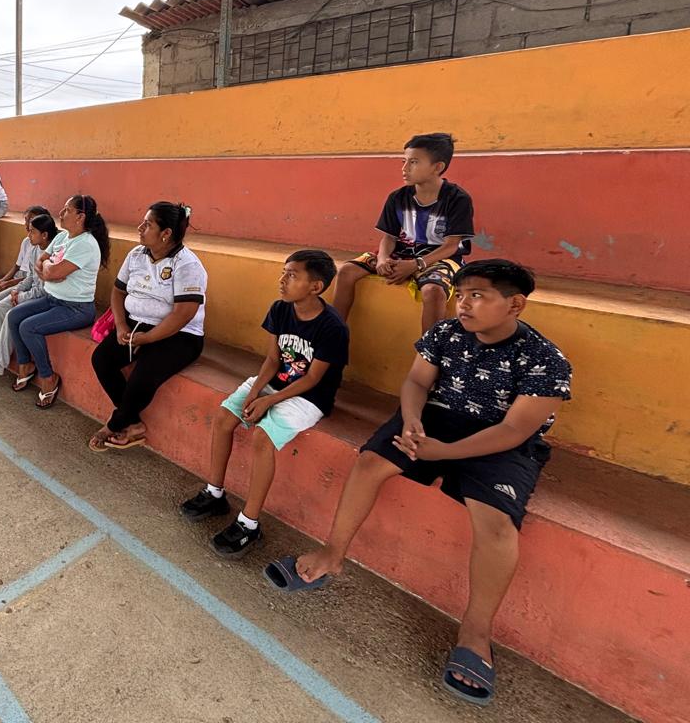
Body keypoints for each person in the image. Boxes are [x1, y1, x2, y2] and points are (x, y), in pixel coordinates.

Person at [266, 260, 571, 708]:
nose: (463, 304)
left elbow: (515, 430)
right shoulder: (445, 333)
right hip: (433, 419)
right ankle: (332, 555)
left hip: (500, 441)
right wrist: (410, 420)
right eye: (460, 294)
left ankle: (475, 632)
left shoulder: (545, 359)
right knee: (370, 463)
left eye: (477, 296)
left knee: (496, 524)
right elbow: (415, 380)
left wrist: (444, 453)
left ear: (515, 304)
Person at [179, 250, 347, 557]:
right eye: (284, 272)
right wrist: (255, 391)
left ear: (316, 287)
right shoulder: (280, 309)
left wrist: (270, 400)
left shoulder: (332, 327)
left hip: (309, 396)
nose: (282, 280)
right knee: (224, 416)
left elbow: (313, 378)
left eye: (292, 275)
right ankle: (215, 493)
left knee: (262, 437)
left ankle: (249, 523)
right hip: (274, 382)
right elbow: (272, 359)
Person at [88, 202, 207, 452]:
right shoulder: (136, 254)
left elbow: (183, 314)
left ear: (166, 233)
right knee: (102, 359)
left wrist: (149, 339)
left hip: (180, 334)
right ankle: (133, 423)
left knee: (143, 376)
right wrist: (121, 325)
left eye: (148, 224)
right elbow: (118, 292)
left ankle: (115, 424)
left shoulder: (188, 265)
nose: (140, 228)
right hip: (136, 325)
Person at [333, 132, 475, 334]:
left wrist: (416, 265)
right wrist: (383, 259)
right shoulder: (397, 197)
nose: (404, 168)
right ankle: (333, 336)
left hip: (440, 258)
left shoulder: (457, 199)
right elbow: (389, 237)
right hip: (402, 254)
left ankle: (429, 351)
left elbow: (451, 246)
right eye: (404, 161)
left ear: (437, 167)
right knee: (347, 271)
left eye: (414, 162)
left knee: (434, 291)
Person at [6, 195, 109, 408]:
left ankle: (48, 378)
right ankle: (25, 365)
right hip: (52, 297)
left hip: (76, 308)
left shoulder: (86, 244)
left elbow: (51, 270)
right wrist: (50, 270)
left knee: (28, 327)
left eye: (67, 210)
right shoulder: (63, 237)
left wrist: (51, 270)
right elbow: (41, 262)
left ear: (80, 216)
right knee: (14, 316)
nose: (60, 214)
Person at [0, 210, 57, 377]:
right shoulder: (35, 249)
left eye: (32, 231)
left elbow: (43, 289)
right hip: (29, 291)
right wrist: (17, 290)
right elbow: (30, 277)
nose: (28, 234)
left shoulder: (51, 254)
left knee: (9, 312)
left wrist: (21, 295)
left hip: (43, 297)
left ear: (44, 235)